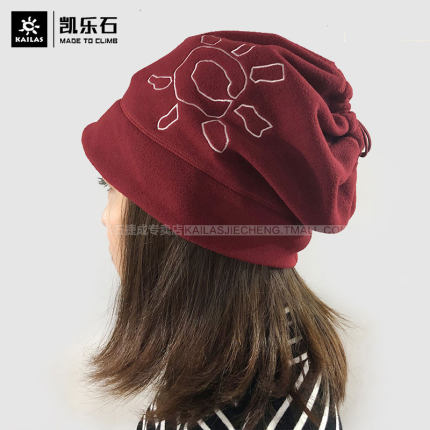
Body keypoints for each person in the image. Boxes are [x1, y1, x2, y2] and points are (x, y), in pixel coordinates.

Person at [81, 30, 371, 430]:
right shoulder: (269, 356)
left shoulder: (226, 413)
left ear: (182, 232)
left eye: (112, 188)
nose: (106, 217)